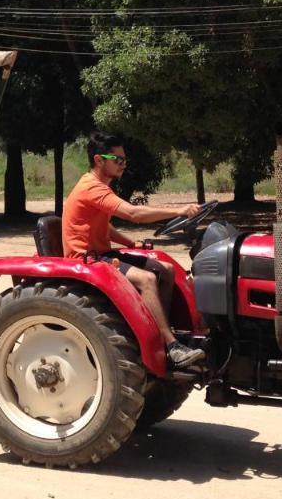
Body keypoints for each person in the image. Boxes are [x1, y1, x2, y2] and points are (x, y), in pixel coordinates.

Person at [62, 132, 205, 368]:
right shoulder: (91, 187)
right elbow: (133, 214)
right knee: (147, 279)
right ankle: (170, 347)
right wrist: (179, 210)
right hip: (86, 259)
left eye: (124, 160)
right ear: (99, 160)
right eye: (117, 159)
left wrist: (130, 244)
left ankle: (164, 330)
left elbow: (103, 226)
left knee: (166, 269)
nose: (122, 164)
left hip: (101, 254)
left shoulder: (99, 187)